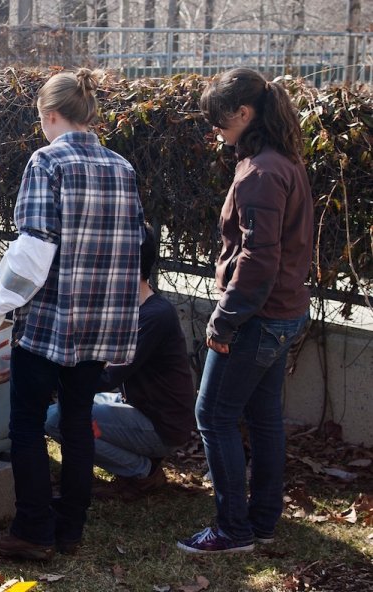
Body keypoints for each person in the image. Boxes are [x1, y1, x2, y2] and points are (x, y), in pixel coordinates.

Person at [0, 69, 144, 559]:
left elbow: (32, 253)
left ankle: (34, 530)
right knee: (76, 422)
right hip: (101, 322)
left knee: (26, 423)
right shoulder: (123, 167)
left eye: (40, 121)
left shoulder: (46, 162)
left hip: (49, 324)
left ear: (50, 116)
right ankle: (69, 530)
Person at [176, 68, 312, 555]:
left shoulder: (261, 172)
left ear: (244, 113)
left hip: (258, 318)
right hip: (283, 313)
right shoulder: (280, 162)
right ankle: (262, 521)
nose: (215, 130)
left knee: (212, 415)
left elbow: (259, 258)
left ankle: (234, 530)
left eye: (219, 121)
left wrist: (225, 317)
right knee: (263, 417)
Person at [42, 226, 195, 501]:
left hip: (160, 425)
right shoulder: (126, 303)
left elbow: (105, 377)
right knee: (65, 409)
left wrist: (41, 372)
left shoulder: (154, 316)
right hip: (136, 406)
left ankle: (143, 471)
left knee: (59, 418)